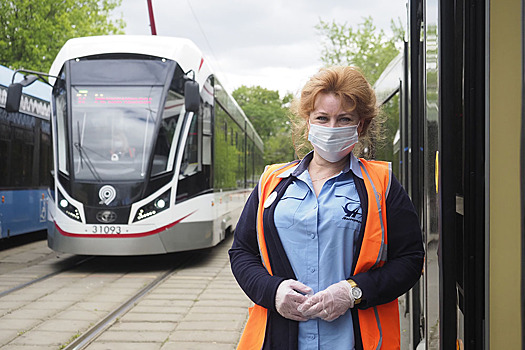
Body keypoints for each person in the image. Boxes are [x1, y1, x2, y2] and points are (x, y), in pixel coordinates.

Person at [229, 66, 424, 350]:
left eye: (344, 119)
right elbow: (242, 252)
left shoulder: (382, 184)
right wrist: (273, 292)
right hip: (279, 339)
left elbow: (410, 259)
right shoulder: (272, 182)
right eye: (322, 118)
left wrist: (353, 291)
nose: (332, 128)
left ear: (360, 125)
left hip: (354, 341)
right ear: (308, 122)